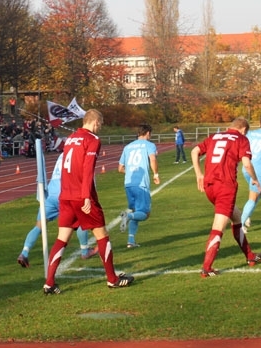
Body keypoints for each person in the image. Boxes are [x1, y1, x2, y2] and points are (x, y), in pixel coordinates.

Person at [42, 109, 134, 294]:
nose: (100, 127)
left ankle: (49, 283)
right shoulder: (92, 140)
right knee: (102, 234)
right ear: (96, 122)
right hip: (81, 196)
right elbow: (88, 169)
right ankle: (112, 279)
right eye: (100, 124)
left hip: (65, 196)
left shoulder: (71, 138)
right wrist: (86, 196)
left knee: (62, 239)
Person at [191, 117, 261, 277]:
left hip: (210, 186)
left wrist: (198, 174)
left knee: (236, 218)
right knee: (218, 227)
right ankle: (206, 268)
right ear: (244, 129)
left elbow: (194, 151)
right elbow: (246, 163)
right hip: (225, 186)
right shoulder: (241, 139)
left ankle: (250, 257)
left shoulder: (215, 136)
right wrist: (255, 179)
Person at [17, 153, 98, 267]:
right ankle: (85, 251)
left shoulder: (63, 154)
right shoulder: (82, 154)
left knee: (39, 226)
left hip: (50, 193)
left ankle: (24, 252)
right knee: (81, 220)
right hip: (66, 193)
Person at [117, 123, 160, 248]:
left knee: (136, 211)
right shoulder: (149, 145)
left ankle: (131, 241)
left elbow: (120, 168)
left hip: (128, 184)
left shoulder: (128, 147)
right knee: (144, 213)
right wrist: (156, 174)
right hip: (141, 184)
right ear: (148, 133)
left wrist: (130, 171)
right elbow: (152, 159)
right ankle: (127, 216)